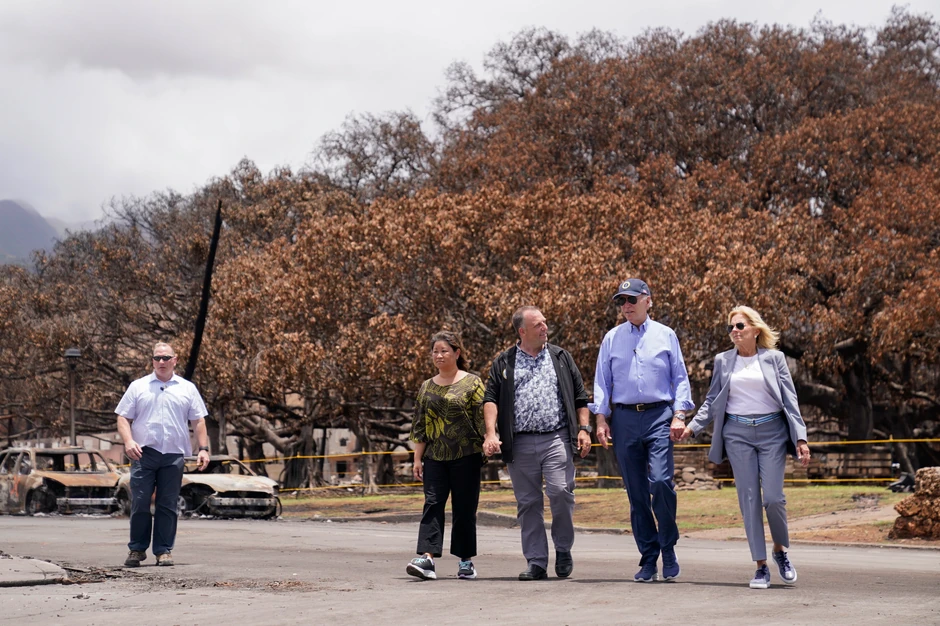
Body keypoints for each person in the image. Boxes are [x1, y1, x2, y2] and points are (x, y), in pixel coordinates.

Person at [680, 306, 810, 589]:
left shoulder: (775, 359)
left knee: (774, 498)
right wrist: (692, 426)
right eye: (731, 328)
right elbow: (713, 401)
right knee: (749, 499)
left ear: (755, 329)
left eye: (739, 326)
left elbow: (791, 401)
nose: (734, 331)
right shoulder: (723, 361)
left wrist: (800, 438)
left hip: (772, 432)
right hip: (737, 434)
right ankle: (761, 566)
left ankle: (780, 551)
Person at [591, 278, 694, 582]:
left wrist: (679, 414)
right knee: (636, 494)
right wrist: (601, 419)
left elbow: (680, 378)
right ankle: (649, 558)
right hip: (623, 420)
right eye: (622, 301)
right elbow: (602, 383)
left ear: (648, 300)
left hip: (659, 416)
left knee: (661, 482)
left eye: (632, 300)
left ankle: (668, 546)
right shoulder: (611, 338)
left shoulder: (666, 335)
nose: (626, 306)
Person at [482, 306, 592, 581]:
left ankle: (563, 548)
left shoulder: (560, 357)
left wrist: (584, 429)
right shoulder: (504, 361)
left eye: (545, 322)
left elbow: (580, 396)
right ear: (522, 331)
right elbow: (490, 398)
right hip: (519, 443)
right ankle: (536, 562)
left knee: (560, 492)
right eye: (538, 324)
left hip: (556, 438)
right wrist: (491, 434)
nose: (545, 327)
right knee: (528, 503)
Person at [116, 342, 210, 567]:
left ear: (175, 360)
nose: (161, 362)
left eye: (166, 358)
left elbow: (198, 420)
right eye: (157, 358)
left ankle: (163, 550)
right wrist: (128, 441)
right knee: (140, 502)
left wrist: (203, 449)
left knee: (167, 504)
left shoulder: (187, 388)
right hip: (143, 453)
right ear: (152, 361)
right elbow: (122, 417)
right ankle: (137, 549)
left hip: (173, 455)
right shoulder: (138, 386)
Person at [406, 331, 486, 581]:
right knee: (432, 504)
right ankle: (427, 559)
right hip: (435, 457)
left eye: (444, 351)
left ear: (457, 353)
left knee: (464, 508)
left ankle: (465, 562)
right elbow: (420, 425)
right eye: (435, 351)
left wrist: (489, 442)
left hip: (467, 455)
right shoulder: (426, 387)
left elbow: (482, 419)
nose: (439, 355)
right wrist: (417, 459)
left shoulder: (472, 383)